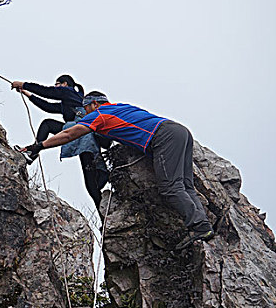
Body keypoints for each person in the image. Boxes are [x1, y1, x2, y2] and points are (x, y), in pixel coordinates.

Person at [20, 91, 214, 249]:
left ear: (94, 104)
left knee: (170, 187)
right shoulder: (121, 107)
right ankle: (203, 226)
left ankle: (197, 226)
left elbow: (70, 134)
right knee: (185, 186)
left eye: (86, 110)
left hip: (162, 138)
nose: (85, 115)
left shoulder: (99, 115)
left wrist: (39, 146)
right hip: (179, 131)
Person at [11, 76, 110, 207]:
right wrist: (26, 93)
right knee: (91, 185)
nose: (56, 87)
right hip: (83, 137)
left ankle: (32, 153)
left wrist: (23, 84)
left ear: (65, 84)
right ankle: (104, 217)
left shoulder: (69, 92)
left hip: (82, 135)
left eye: (57, 84)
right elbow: (47, 106)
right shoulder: (70, 102)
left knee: (92, 184)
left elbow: (47, 92)